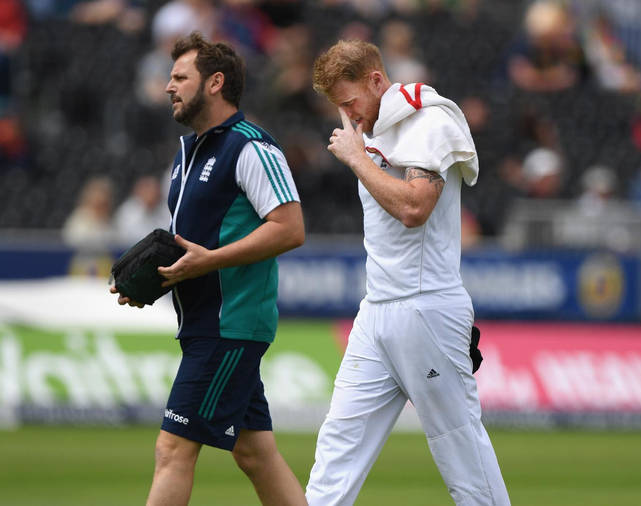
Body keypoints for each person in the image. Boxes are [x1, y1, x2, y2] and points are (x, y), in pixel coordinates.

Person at [307, 40, 510, 506]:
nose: (347, 114)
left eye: (349, 101)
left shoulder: (429, 119)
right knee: (336, 450)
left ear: (377, 80)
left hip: (426, 309)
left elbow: (416, 207)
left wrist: (357, 158)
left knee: (461, 452)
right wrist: (362, 148)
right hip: (375, 311)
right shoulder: (374, 127)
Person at [110, 32, 306, 506]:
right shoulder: (184, 154)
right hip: (204, 325)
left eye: (180, 77)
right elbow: (191, 246)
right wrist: (158, 280)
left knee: (172, 449)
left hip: (230, 325)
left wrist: (209, 261)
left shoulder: (253, 147)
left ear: (215, 82)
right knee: (255, 454)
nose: (167, 86)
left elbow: (291, 228)